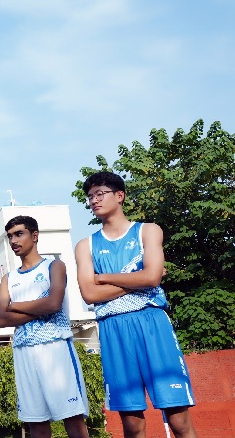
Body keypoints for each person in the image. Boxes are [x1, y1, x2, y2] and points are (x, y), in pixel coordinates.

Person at [74, 171, 197, 438]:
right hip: (113, 328)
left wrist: (103, 277)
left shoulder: (147, 230)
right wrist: (139, 279)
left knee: (178, 419)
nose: (94, 200)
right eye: (90, 196)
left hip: (151, 322)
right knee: (131, 423)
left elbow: (152, 277)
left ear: (120, 196)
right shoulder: (86, 245)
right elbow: (89, 294)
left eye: (100, 193)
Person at [0, 216, 88, 438]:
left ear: (34, 236)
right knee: (36, 423)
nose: (13, 240)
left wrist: (13, 306)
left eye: (19, 234)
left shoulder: (54, 266)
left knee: (73, 419)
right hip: (23, 351)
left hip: (55, 346)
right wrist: (38, 307)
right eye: (10, 236)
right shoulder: (9, 278)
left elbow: (53, 303)